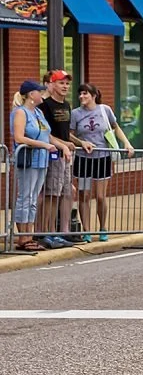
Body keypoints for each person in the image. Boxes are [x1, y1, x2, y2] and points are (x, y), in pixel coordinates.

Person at [69, 83, 135, 243]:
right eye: (80, 94)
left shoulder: (104, 110)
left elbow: (115, 127)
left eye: (85, 94)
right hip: (83, 159)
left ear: (93, 95)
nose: (82, 97)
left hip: (102, 157)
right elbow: (69, 135)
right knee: (84, 195)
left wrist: (127, 143)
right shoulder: (75, 114)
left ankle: (103, 227)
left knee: (100, 196)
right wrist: (81, 142)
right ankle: (86, 230)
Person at [10, 80, 57, 251]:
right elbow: (19, 137)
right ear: (31, 95)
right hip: (27, 160)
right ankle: (22, 237)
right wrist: (43, 145)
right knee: (25, 197)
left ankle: (29, 236)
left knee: (33, 200)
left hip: (41, 161)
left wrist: (63, 145)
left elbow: (48, 135)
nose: (42, 94)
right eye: (39, 91)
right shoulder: (20, 112)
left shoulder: (38, 112)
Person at [38, 70, 77, 249]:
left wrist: (80, 142)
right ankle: (48, 232)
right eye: (61, 83)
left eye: (67, 83)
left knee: (66, 192)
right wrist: (63, 145)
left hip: (66, 155)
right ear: (51, 84)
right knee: (51, 194)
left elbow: (65, 132)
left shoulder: (67, 105)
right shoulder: (45, 106)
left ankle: (62, 232)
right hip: (53, 154)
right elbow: (46, 134)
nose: (65, 86)